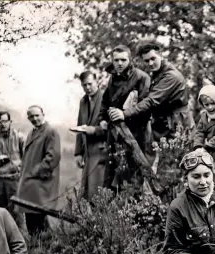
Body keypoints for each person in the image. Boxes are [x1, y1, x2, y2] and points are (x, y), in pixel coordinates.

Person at [109, 41, 194, 145]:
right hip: (166, 124)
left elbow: (151, 100)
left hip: (178, 125)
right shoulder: (157, 73)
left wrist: (124, 113)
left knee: (178, 157)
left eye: (153, 58)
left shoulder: (170, 76)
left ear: (161, 55)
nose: (150, 63)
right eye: (146, 60)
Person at [99, 45, 151, 188]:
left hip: (134, 133)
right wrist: (102, 119)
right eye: (116, 60)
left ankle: (135, 206)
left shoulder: (142, 78)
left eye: (123, 60)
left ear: (130, 59)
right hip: (114, 133)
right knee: (111, 170)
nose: (120, 63)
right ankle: (109, 207)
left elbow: (146, 107)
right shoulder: (112, 78)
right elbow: (105, 101)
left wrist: (125, 115)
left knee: (133, 173)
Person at [17, 106, 61, 236]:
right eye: (31, 116)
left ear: (43, 114)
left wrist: (34, 172)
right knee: (31, 218)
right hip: (30, 184)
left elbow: (53, 157)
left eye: (37, 115)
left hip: (40, 183)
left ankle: (44, 249)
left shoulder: (50, 131)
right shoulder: (32, 132)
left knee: (39, 220)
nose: (34, 118)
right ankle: (37, 249)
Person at [74, 70, 107, 201]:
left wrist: (94, 130)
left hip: (102, 153)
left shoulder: (106, 98)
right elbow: (79, 125)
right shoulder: (83, 101)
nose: (87, 88)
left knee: (98, 193)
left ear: (97, 82)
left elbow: (111, 127)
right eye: (84, 85)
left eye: (90, 84)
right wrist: (78, 152)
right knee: (86, 194)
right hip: (88, 153)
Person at [0, 111, 25, 228]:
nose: (2, 124)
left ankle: (22, 242)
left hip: (14, 179)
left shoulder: (19, 137)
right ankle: (4, 243)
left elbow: (27, 158)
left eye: (5, 121)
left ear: (10, 122)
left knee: (17, 212)